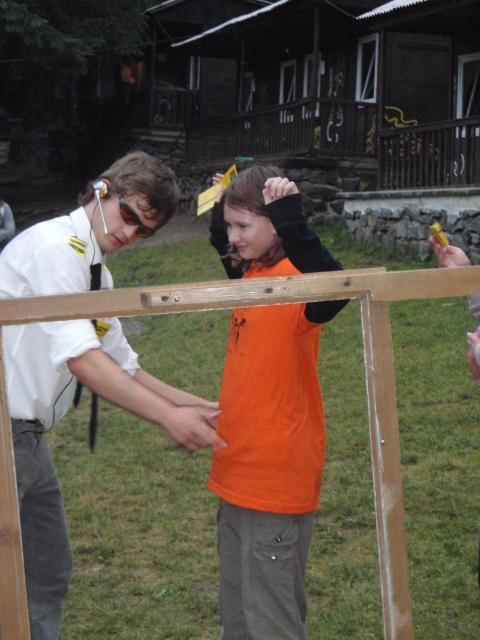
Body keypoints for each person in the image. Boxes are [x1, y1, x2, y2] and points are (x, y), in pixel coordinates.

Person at [0, 150, 224, 640]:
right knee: (22, 579)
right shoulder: (55, 250)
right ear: (103, 189)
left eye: (144, 230)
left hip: (27, 439)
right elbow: (82, 358)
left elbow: (122, 363)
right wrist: (167, 417)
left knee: (46, 572)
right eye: (128, 214)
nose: (129, 233)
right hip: (7, 433)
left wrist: (193, 406)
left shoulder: (95, 269)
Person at [207, 165, 349, 640]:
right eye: (229, 225)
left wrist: (292, 218)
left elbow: (336, 287)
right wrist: (222, 204)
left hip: (275, 476)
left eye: (243, 226)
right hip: (235, 469)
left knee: (271, 619)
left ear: (277, 224)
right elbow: (224, 247)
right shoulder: (253, 272)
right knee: (238, 613)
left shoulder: (297, 281)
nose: (233, 237)